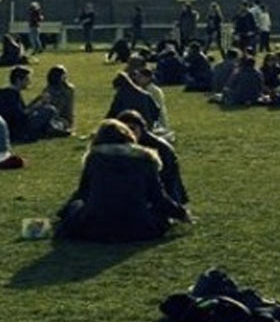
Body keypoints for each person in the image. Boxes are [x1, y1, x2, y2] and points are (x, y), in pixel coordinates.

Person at [54, 119, 189, 242]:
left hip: (96, 228)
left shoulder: (95, 159)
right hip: (139, 228)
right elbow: (158, 197)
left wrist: (63, 213)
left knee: (76, 207)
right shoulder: (144, 159)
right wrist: (181, 213)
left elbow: (83, 192)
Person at [116, 110, 188, 207]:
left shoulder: (159, 148)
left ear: (141, 128)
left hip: (164, 193)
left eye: (132, 128)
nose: (130, 133)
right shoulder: (122, 144)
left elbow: (164, 178)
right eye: (124, 130)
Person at [0, 66, 60, 143]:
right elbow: (22, 115)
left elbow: (23, 110)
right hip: (17, 129)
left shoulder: (4, 92)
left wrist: (37, 99)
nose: (29, 82)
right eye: (26, 79)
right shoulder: (12, 94)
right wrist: (39, 105)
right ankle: (49, 130)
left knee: (46, 110)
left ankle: (50, 129)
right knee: (49, 110)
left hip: (8, 127)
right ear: (18, 80)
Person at [39, 65, 76, 135]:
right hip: (50, 117)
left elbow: (67, 109)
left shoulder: (68, 90)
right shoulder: (48, 90)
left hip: (62, 118)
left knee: (55, 125)